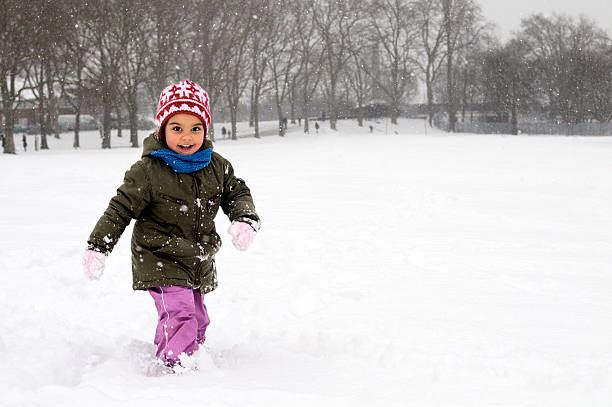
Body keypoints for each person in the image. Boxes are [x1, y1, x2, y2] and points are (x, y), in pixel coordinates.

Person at [82, 80, 260, 371]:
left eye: (195, 128)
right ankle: (174, 369)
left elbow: (236, 192)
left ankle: (192, 356)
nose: (187, 137)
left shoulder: (217, 166)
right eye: (177, 128)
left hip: (197, 258)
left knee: (198, 319)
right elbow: (120, 208)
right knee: (180, 314)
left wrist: (244, 219)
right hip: (159, 256)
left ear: (206, 129)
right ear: (162, 129)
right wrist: (98, 246)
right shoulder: (148, 171)